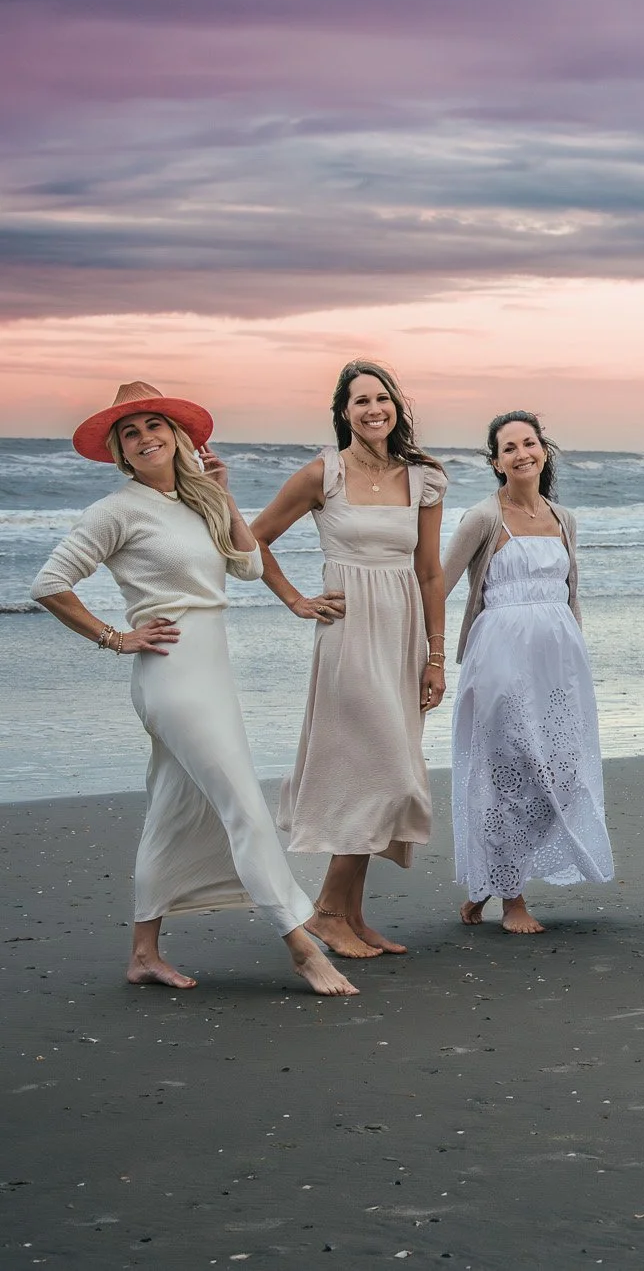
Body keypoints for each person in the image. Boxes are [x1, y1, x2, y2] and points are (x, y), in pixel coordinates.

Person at [32, 382, 356, 996]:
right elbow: (50, 582)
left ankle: (143, 953)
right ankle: (301, 946)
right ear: (121, 453)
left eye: (155, 425)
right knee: (243, 804)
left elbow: (248, 564)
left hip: (213, 668)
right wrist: (113, 636)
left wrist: (223, 497)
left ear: (178, 436)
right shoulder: (116, 510)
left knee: (173, 811)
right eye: (130, 433)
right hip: (171, 672)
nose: (144, 437)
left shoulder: (195, 502)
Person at [250, 359, 448, 959]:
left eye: (381, 399)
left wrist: (436, 656)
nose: (372, 410)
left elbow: (431, 572)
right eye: (359, 401)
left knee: (381, 769)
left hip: (403, 633)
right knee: (382, 769)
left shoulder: (423, 478)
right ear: (344, 413)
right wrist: (295, 599)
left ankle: (351, 915)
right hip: (349, 635)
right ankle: (329, 911)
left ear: (396, 407)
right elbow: (252, 539)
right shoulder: (322, 475)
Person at [442, 411, 613, 934]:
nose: (522, 453)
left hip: (559, 664)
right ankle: (511, 900)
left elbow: (570, 595)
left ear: (544, 450)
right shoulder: (482, 518)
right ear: (496, 461)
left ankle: (490, 876)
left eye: (529, 443)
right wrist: (428, 655)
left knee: (563, 772)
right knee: (506, 772)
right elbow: (436, 584)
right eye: (509, 447)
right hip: (499, 659)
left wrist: (579, 656)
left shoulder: (565, 519)